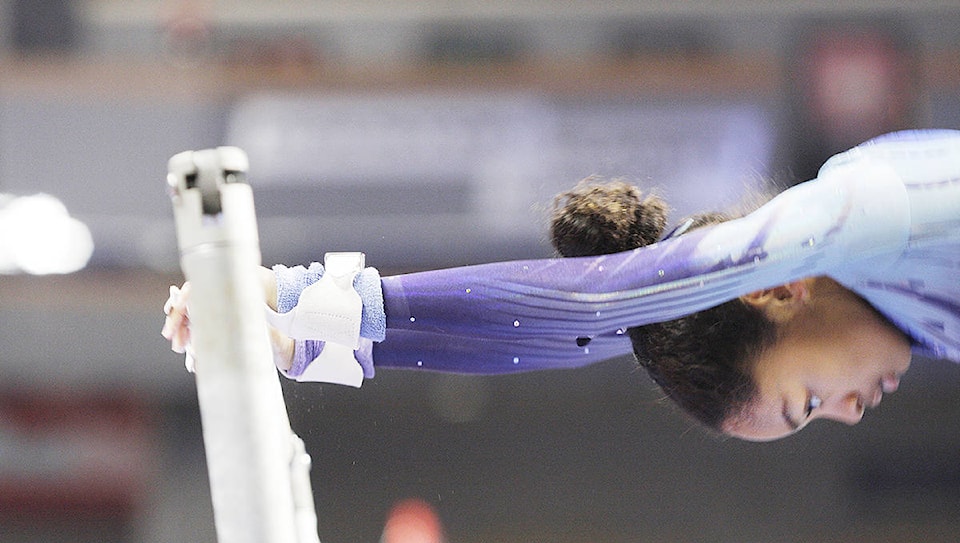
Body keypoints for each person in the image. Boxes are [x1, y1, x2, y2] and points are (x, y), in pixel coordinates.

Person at [163, 129, 960, 441]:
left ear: (778, 294)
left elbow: (615, 298)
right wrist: (311, 340)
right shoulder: (924, 307)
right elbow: (605, 328)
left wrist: (303, 305)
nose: (851, 413)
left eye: (810, 400)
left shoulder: (874, 213)